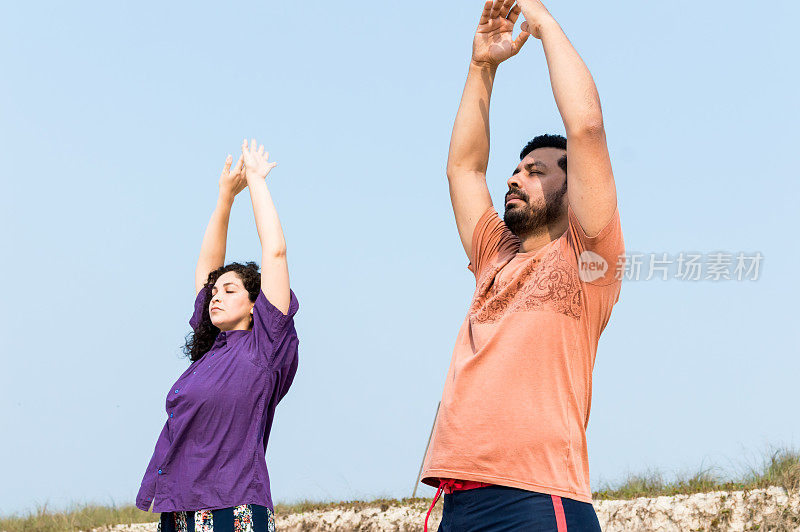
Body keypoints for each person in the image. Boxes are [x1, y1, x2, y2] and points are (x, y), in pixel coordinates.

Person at [420, 1, 625, 530]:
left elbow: (587, 128)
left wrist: (543, 22)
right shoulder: (495, 255)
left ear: (572, 183)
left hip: (536, 500)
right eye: (515, 169)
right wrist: (482, 65)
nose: (514, 178)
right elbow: (464, 169)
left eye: (534, 171)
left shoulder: (588, 257)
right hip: (459, 500)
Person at [135, 139, 299, 532]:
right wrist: (225, 198)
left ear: (255, 304)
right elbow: (207, 267)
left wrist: (257, 182)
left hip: (234, 507)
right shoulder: (210, 350)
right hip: (180, 509)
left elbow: (274, 252)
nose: (216, 296)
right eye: (214, 292)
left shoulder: (265, 345)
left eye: (230, 291)